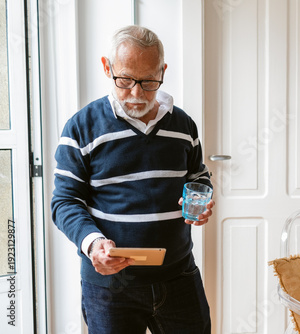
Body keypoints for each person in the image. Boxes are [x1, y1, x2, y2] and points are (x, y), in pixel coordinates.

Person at [51, 25, 213, 334]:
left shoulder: (183, 126)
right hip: (110, 288)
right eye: (124, 80)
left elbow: (198, 175)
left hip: (178, 275)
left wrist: (203, 196)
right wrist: (93, 243)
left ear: (163, 72)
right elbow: (64, 201)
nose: (136, 93)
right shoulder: (81, 127)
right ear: (106, 67)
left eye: (149, 81)